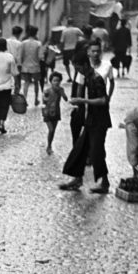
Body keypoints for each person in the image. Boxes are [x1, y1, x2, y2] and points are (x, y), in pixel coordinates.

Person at [59, 39, 112, 194]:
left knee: (96, 152)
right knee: (80, 150)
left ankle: (104, 183)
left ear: (83, 65)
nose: (78, 71)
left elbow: (103, 100)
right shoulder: (88, 77)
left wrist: (83, 100)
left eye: (78, 68)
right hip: (91, 120)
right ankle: (77, 179)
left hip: (99, 121)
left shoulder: (96, 79)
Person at [42, 71, 67, 155]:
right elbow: (44, 102)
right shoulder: (47, 91)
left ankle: (49, 145)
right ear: (51, 81)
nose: (56, 82)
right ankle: (49, 146)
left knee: (53, 131)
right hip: (48, 112)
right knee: (51, 129)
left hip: (56, 112)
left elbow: (66, 99)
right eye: (54, 80)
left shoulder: (61, 90)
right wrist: (44, 111)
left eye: (58, 81)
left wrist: (62, 93)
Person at [19, 25, 43, 106]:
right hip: (36, 67)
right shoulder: (38, 43)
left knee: (26, 83)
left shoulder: (23, 43)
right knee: (36, 83)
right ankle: (36, 99)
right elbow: (40, 56)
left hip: (25, 66)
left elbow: (20, 55)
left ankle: (25, 99)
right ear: (36, 33)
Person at [7, 25, 24, 94]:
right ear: (19, 34)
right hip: (15, 64)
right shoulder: (19, 43)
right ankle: (15, 96)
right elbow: (19, 57)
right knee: (17, 83)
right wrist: (20, 66)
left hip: (6, 62)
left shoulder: (6, 41)